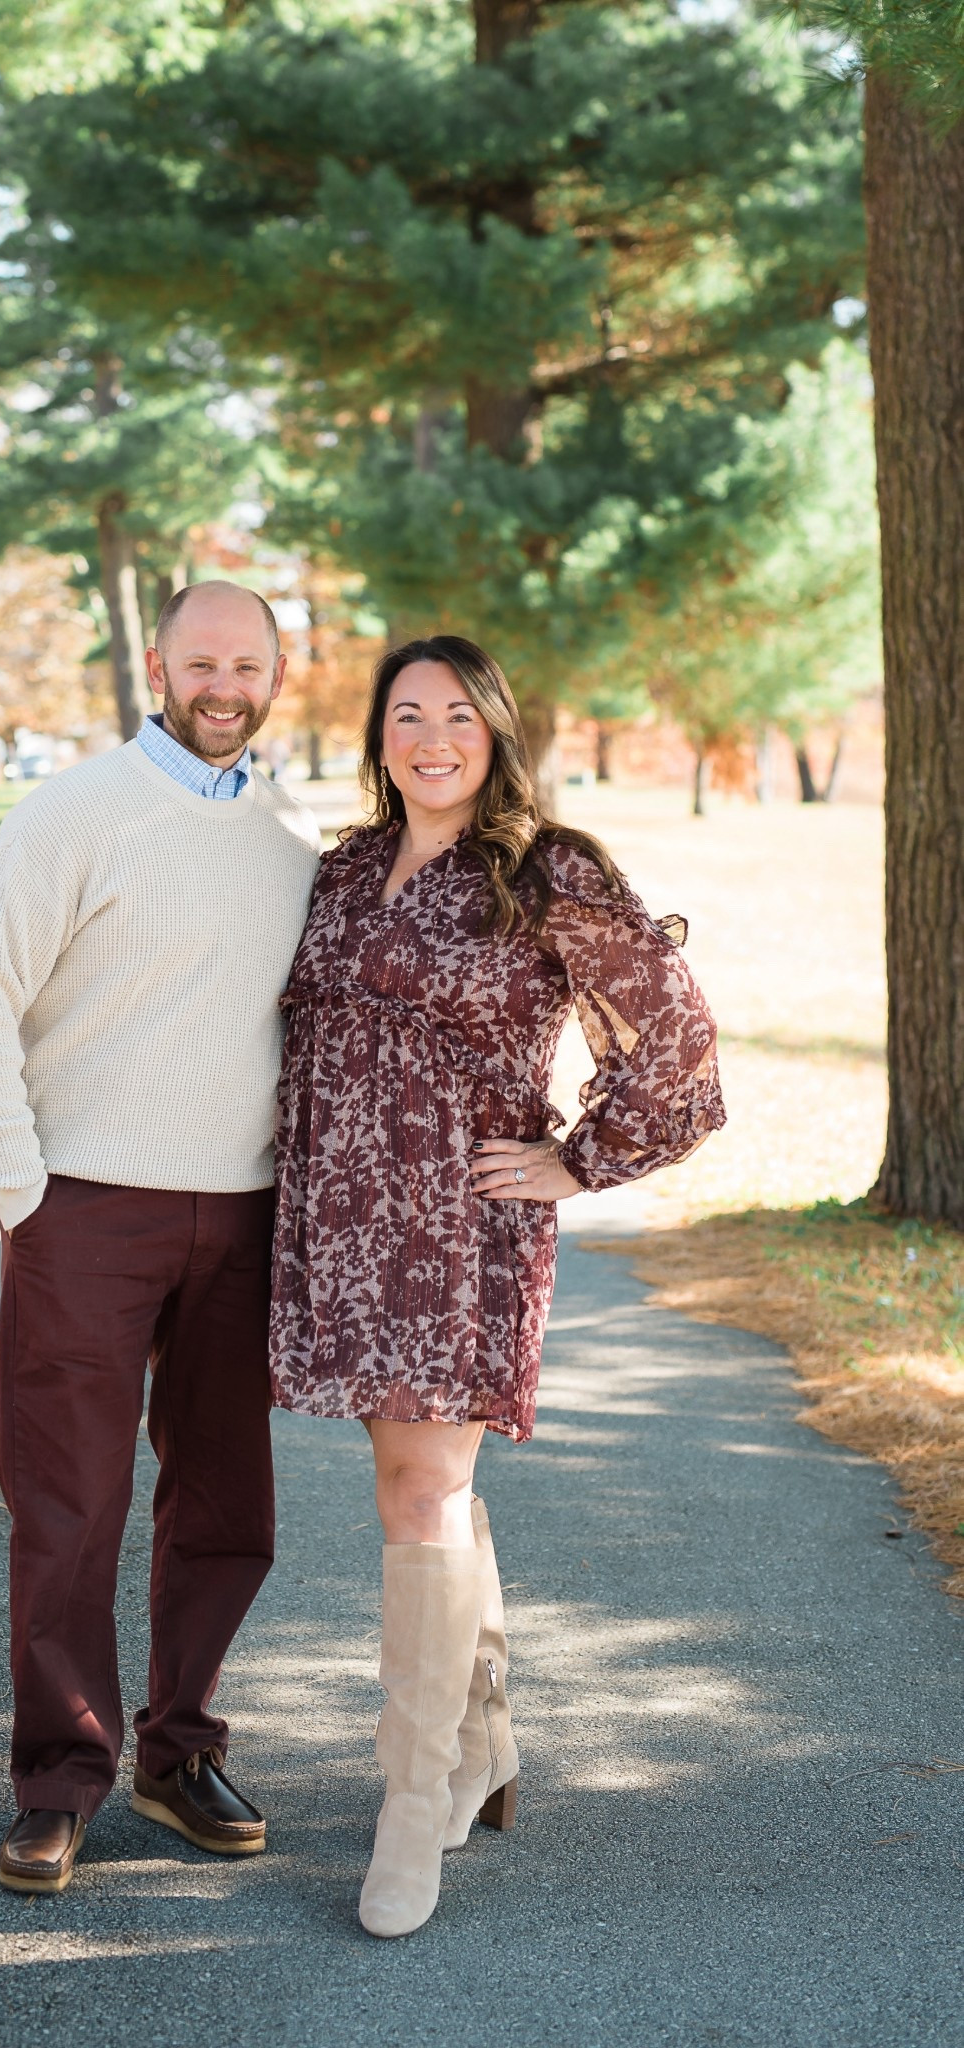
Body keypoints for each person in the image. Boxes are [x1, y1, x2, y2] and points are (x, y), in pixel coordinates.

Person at [270, 635, 725, 1939]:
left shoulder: (546, 868)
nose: (429, 738)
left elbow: (677, 1035)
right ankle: (484, 1745)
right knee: (419, 1487)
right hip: (346, 1227)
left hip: (463, 1231)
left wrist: (579, 1160)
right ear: (378, 738)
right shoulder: (345, 869)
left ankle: (410, 1803)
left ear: (497, 731)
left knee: (425, 1493)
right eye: (405, 715)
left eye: (456, 715)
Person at [0, 581, 321, 1895]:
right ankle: (61, 1780)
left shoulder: (292, 833)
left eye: (248, 663)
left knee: (227, 1509)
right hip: (85, 1207)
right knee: (69, 1509)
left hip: (245, 1211)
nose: (224, 683)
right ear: (158, 663)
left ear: (280, 675)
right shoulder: (75, 813)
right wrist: (16, 1187)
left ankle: (176, 1751)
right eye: (201, 660)